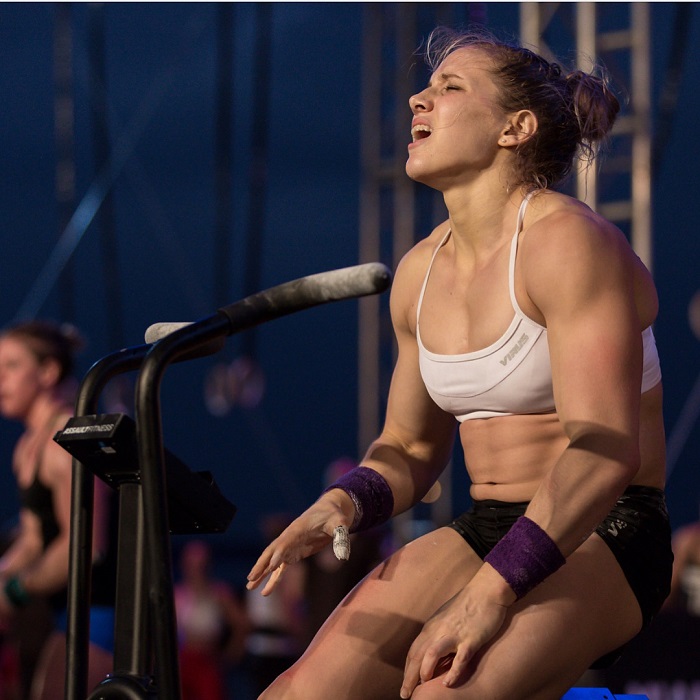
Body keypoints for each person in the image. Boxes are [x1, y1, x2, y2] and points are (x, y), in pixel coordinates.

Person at [246, 26, 673, 700]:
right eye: (426, 85)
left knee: (444, 693)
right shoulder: (420, 271)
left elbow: (603, 448)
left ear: (516, 128)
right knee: (296, 694)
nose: (419, 97)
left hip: (606, 528)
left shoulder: (569, 243)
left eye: (448, 87)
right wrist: (344, 501)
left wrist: (487, 595)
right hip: (486, 525)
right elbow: (411, 448)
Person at [0, 320, 117, 699]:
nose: (0, 379)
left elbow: (85, 547)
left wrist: (15, 590)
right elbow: (34, 541)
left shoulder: (67, 440)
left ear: (48, 371)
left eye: (12, 366)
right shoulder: (26, 449)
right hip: (66, 612)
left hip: (106, 612)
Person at [174, 538, 250, 700]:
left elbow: (242, 624)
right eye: (192, 565)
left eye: (201, 565)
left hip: (209, 662)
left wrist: (232, 654)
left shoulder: (219, 593)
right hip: (183, 663)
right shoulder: (177, 595)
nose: (197, 570)